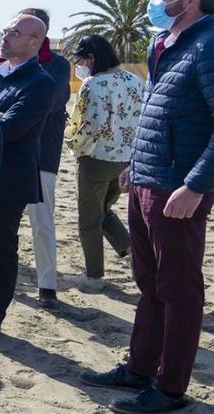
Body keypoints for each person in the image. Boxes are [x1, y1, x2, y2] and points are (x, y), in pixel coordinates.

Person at [80, 0, 214, 414]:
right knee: (149, 283)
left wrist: (196, 186)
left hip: (177, 190)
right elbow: (155, 115)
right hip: (147, 182)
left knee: (179, 290)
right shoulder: (165, 41)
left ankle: (171, 387)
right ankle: (139, 368)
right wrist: (135, 167)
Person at [0, 13, 55, 335]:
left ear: (34, 42)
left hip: (8, 180)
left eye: (15, 32)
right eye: (7, 29)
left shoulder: (40, 82)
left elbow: (9, 129)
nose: (5, 36)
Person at [63, 35, 143, 291]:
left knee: (89, 219)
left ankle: (93, 276)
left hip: (95, 159)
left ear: (92, 58)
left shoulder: (93, 84)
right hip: (125, 160)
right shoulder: (134, 80)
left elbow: (90, 125)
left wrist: (73, 144)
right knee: (104, 210)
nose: (78, 65)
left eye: (79, 60)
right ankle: (131, 250)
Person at [19, 8, 72, 308]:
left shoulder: (58, 65)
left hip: (42, 157)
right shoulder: (2, 65)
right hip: (6, 156)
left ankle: (47, 285)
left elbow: (45, 102)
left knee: (42, 223)